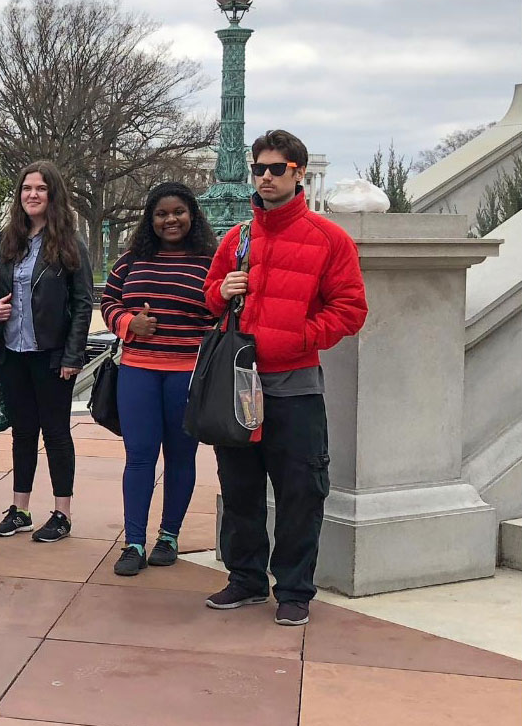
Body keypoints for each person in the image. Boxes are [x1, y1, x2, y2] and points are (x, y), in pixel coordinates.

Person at [203, 129, 367, 626]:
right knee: (240, 487)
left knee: (300, 490)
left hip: (294, 385)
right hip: (239, 385)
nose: (266, 177)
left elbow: (351, 309)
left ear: (298, 173)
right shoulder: (237, 237)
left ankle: (294, 589)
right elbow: (210, 298)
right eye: (260, 168)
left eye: (277, 169)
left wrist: (301, 336)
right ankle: (246, 579)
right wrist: (222, 289)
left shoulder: (327, 238)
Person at [100, 182, 218, 575]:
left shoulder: (209, 260)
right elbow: (108, 301)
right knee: (139, 457)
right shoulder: (132, 259)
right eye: (162, 214)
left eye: (179, 212)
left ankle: (169, 535)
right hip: (138, 371)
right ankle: (133, 541)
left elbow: (221, 309)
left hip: (186, 375)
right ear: (151, 220)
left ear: (192, 215)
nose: (171, 220)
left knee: (181, 457)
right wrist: (130, 322)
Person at [0, 162, 93, 543]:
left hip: (51, 354)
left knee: (57, 433)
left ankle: (62, 513)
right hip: (13, 351)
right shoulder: (6, 241)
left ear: (53, 195)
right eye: (26, 188)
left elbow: (82, 303)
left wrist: (72, 355)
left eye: (40, 189)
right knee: (22, 433)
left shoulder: (69, 245)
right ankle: (21, 509)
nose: (32, 195)